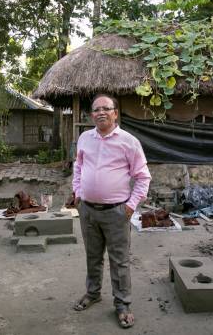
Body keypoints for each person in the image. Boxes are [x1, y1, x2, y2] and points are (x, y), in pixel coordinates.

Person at [72, 94, 152, 329]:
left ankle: (123, 304)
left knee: (120, 261)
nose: (101, 113)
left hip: (117, 212)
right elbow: (78, 168)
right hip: (87, 211)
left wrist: (130, 206)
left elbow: (142, 177)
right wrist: (77, 194)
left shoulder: (129, 141)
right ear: (91, 115)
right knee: (93, 256)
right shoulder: (84, 138)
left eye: (106, 108)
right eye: (96, 110)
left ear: (115, 113)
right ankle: (93, 293)